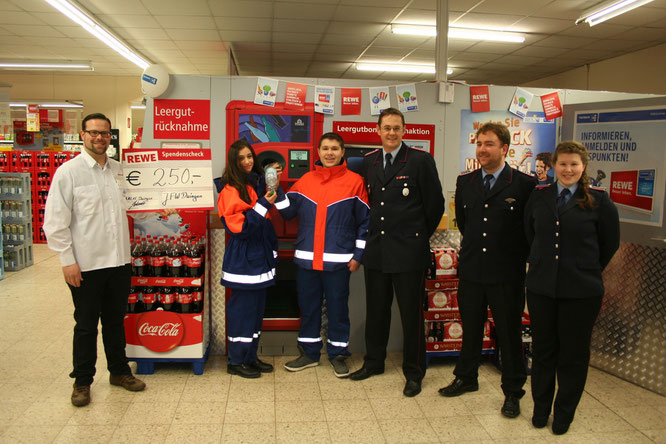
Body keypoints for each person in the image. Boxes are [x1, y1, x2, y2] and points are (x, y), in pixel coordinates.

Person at [44, 113, 146, 407]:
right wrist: (67, 260)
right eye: (94, 133)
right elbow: (54, 222)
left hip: (118, 262)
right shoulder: (69, 173)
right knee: (86, 325)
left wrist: (157, 209)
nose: (100, 138)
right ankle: (82, 381)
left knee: (115, 321)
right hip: (86, 264)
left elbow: (132, 207)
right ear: (83, 135)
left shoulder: (119, 170)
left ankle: (119, 372)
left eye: (104, 134)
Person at [439, 123, 536, 419]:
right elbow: (466, 223)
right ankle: (466, 378)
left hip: (507, 273)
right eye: (479, 143)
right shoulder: (466, 181)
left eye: (489, 144)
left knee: (508, 334)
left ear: (504, 148)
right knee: (471, 329)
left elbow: (529, 230)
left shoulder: (523, 184)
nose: (482, 149)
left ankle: (513, 392)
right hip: (472, 270)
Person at [524, 141, 619, 435]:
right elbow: (530, 234)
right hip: (542, 289)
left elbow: (609, 244)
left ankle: (563, 413)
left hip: (581, 292)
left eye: (574, 164)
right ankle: (540, 408)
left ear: (584, 167)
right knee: (543, 352)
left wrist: (583, 269)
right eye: (562, 164)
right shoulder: (539, 196)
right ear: (554, 166)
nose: (568, 170)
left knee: (573, 355)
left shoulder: (599, 201)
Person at [349, 108, 445, 397]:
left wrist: (414, 237)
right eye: (387, 128)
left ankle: (414, 372)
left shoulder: (419, 161)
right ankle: (374, 362)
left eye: (397, 128)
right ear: (378, 130)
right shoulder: (369, 162)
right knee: (376, 311)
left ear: (404, 130)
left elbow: (435, 206)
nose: (392, 133)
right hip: (377, 250)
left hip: (408, 252)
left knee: (411, 316)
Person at [279, 132, 369, 378]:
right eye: (326, 148)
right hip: (307, 259)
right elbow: (287, 213)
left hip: (339, 261)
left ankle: (338, 355)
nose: (330, 153)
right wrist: (274, 189)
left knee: (338, 309)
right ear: (318, 152)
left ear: (343, 153)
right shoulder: (306, 180)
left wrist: (358, 255)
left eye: (335, 149)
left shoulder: (355, 182)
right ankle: (309, 354)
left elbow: (365, 223)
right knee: (309, 308)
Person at [217, 139, 288, 378]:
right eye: (241, 158)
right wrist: (263, 204)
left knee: (256, 313)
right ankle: (236, 361)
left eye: (250, 156)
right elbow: (242, 229)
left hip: (259, 258)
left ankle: (250, 357)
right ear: (233, 163)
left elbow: (271, 204)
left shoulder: (254, 183)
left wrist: (273, 183)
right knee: (242, 313)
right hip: (243, 261)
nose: (247, 162)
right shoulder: (229, 190)